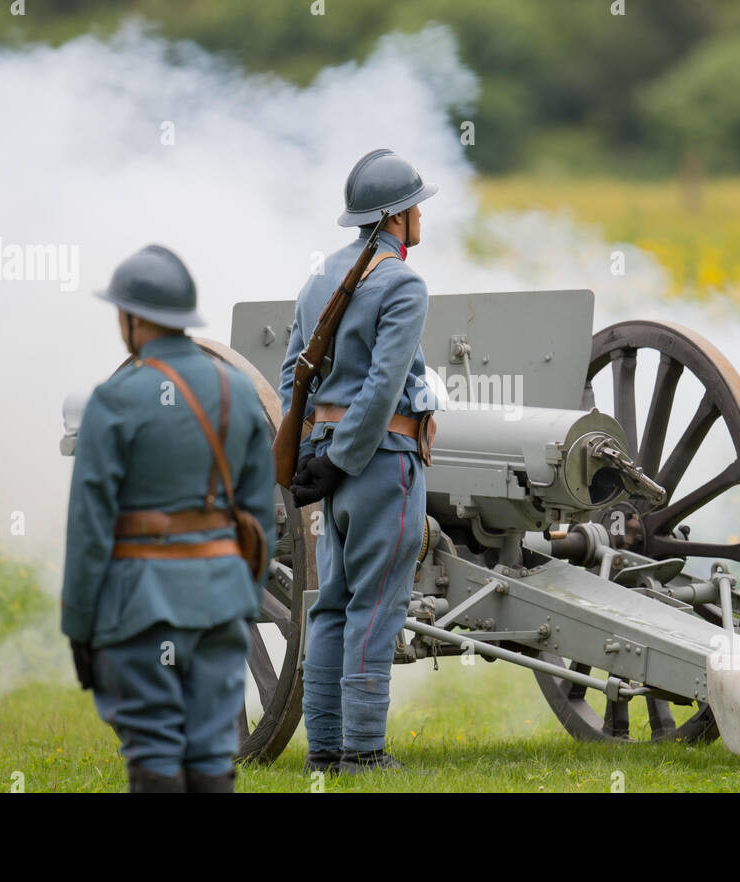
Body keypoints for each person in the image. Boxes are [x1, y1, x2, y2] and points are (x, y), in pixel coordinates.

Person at [62, 244, 276, 792]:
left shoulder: (113, 400)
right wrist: (239, 593)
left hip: (142, 606)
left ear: (135, 319)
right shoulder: (238, 394)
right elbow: (258, 519)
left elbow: (89, 530)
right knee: (211, 749)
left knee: (154, 750)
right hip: (221, 602)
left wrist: (80, 629)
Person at [279, 148, 436, 774]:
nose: (422, 214)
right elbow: (383, 385)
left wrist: (319, 456)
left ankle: (324, 752)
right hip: (382, 465)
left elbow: (296, 374)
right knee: (376, 607)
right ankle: (364, 754)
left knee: (333, 606)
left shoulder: (320, 279)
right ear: (395, 217)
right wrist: (344, 459)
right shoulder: (402, 283)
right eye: (416, 205)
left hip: (331, 466)